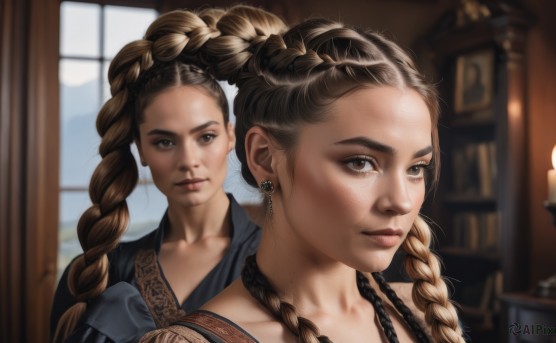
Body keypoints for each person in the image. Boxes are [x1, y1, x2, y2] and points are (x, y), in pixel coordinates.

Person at [131, 5, 466, 342]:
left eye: (415, 168)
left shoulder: (420, 313)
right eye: (361, 162)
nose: (401, 201)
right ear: (264, 157)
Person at [49, 8, 283, 342]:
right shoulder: (103, 272)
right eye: (164, 141)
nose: (188, 160)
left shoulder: (278, 259)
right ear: (140, 150)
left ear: (231, 137)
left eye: (206, 137)